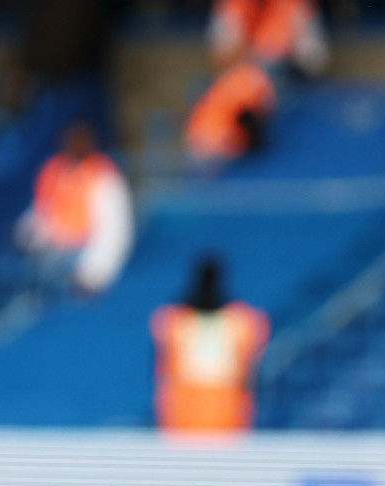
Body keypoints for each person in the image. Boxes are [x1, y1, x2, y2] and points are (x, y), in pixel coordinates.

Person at [151, 257, 270, 432]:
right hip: (226, 421)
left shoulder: (171, 321)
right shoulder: (243, 322)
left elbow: (159, 374)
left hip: (182, 422)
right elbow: (253, 376)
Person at [16, 121, 134, 296]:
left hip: (84, 259)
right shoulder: (56, 171)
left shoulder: (104, 177)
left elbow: (114, 232)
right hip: (51, 257)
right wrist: (25, 234)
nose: (74, 146)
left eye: (80, 141)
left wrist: (92, 273)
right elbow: (41, 211)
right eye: (70, 141)